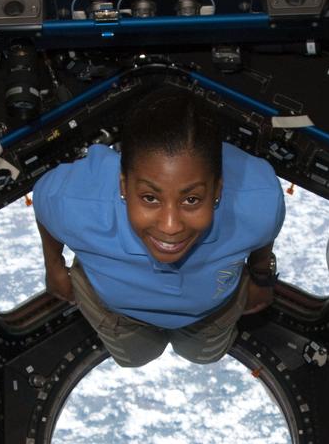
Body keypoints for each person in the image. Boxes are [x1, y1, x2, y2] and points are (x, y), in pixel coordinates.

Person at [32, 87, 284, 367]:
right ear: (123, 186)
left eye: (191, 199)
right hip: (118, 314)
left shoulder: (260, 199)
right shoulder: (75, 200)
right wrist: (53, 266)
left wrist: (262, 277)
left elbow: (264, 234)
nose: (170, 226)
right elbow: (44, 208)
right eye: (150, 198)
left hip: (211, 314)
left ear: (217, 191)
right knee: (136, 356)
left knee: (203, 355)